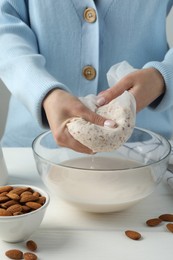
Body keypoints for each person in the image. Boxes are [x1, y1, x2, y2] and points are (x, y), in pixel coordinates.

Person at [0, 0, 172, 154]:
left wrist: (163, 76)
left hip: (147, 149)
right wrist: (42, 90)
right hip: (28, 150)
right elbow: (4, 21)